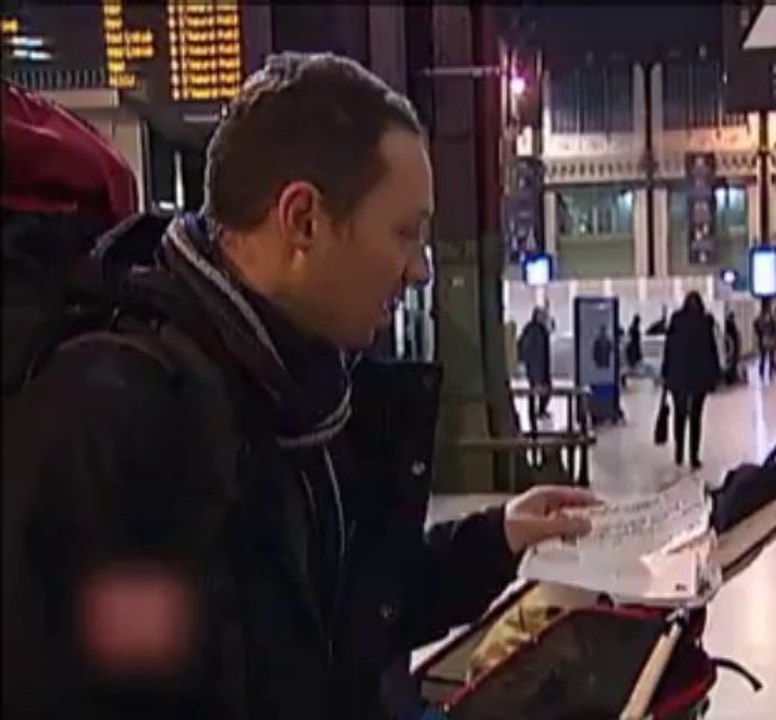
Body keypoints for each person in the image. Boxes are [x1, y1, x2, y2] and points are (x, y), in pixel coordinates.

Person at [2, 56, 597, 719]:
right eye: (405, 232)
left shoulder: (305, 396)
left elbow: (347, 616)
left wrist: (498, 538)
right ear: (304, 220)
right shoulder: (114, 421)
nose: (421, 270)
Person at [660, 291, 719, 470]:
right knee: (696, 417)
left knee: (679, 415)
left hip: (678, 376)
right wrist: (715, 375)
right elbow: (711, 351)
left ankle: (679, 454)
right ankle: (694, 457)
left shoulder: (677, 320)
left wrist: (666, 372)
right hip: (699, 378)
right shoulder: (705, 322)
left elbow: (668, 348)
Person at [518, 306, 552, 420]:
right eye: (542, 315)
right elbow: (530, 350)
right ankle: (534, 413)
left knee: (544, 390)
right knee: (537, 389)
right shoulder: (533, 330)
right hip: (536, 367)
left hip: (541, 365)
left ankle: (539, 411)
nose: (544, 318)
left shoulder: (540, 329)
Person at [723, 311, 743, 385]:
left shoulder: (730, 325)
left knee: (732, 363)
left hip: (733, 346)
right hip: (732, 346)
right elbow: (732, 337)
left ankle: (732, 377)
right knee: (731, 363)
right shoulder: (730, 325)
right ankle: (730, 379)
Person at [624, 313, 643, 379]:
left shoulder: (631, 329)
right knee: (632, 366)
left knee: (630, 366)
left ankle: (626, 377)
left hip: (631, 348)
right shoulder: (636, 330)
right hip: (634, 349)